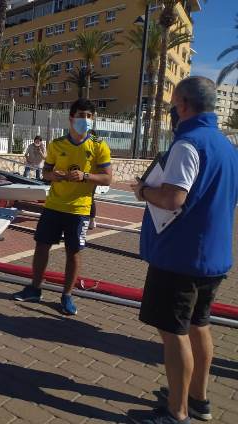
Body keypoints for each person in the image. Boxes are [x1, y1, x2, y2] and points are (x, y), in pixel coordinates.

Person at [130, 77, 238, 424]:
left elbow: (173, 198)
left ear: (185, 105)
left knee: (174, 333)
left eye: (173, 106)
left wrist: (144, 191)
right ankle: (198, 400)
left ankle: (177, 413)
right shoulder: (227, 147)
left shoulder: (188, 144)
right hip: (213, 258)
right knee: (199, 325)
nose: (172, 113)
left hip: (180, 258)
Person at [12, 98, 112, 315]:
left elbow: (107, 179)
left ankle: (67, 296)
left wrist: (85, 176)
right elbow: (46, 173)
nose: (84, 120)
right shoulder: (57, 144)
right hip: (54, 205)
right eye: (80, 115)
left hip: (79, 209)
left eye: (88, 116)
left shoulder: (98, 145)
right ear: (71, 118)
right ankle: (35, 288)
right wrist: (53, 175)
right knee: (41, 247)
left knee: (73, 252)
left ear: (92, 120)